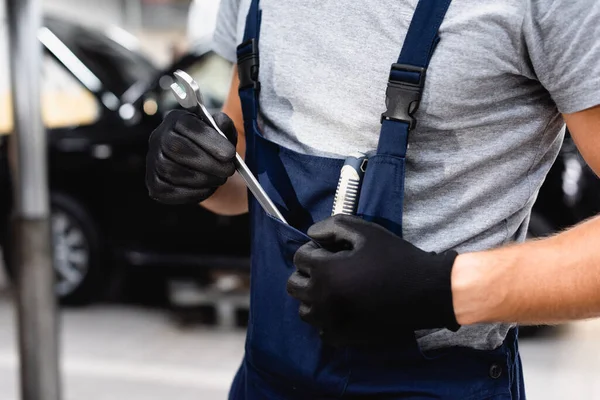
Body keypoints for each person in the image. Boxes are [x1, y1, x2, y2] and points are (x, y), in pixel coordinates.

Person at [145, 0, 600, 398]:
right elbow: (243, 173)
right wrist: (200, 172)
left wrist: (440, 288)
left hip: (435, 388)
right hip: (266, 380)